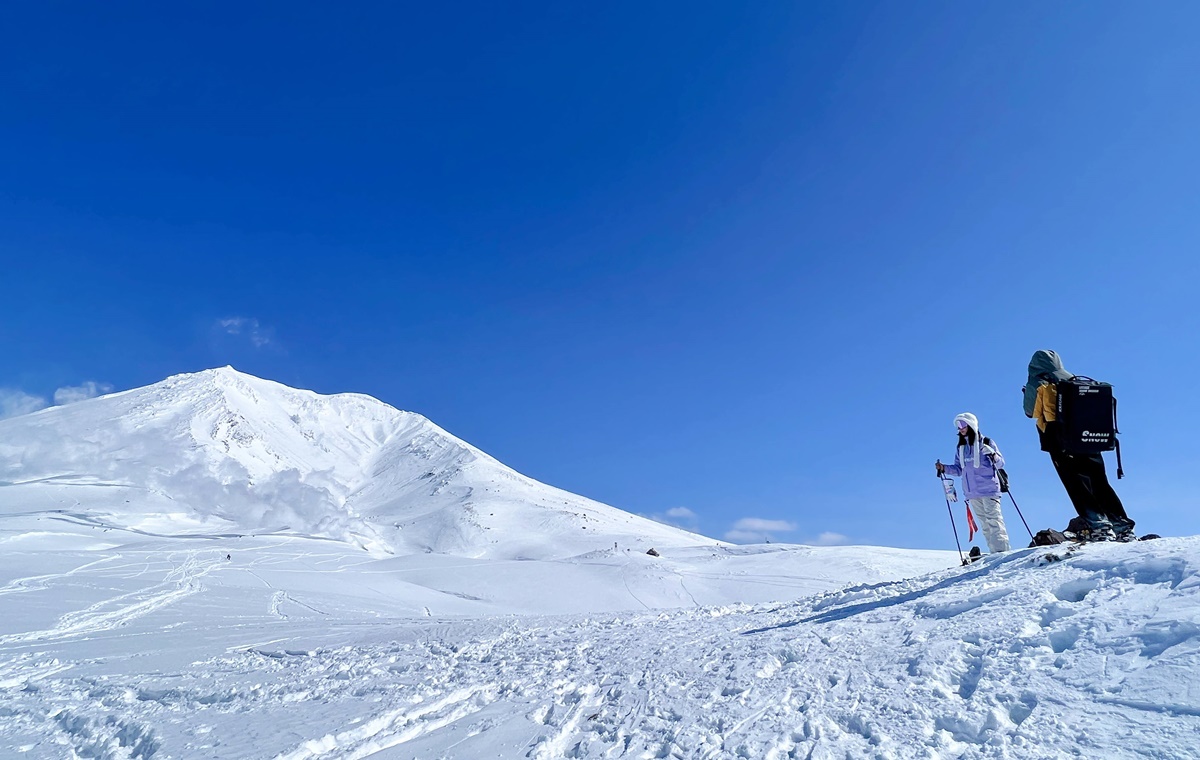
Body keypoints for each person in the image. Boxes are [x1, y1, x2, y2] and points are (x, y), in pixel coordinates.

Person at [1022, 349, 1134, 541]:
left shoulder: (1039, 381)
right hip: (1088, 438)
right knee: (1099, 483)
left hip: (1060, 439)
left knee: (1077, 485)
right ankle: (1121, 525)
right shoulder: (1073, 379)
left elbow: (1030, 411)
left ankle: (1099, 526)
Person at [936, 412, 1010, 553]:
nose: (960, 429)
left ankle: (1002, 553)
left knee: (994, 522)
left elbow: (1000, 463)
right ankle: (994, 553)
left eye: (962, 424)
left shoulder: (987, 442)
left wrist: (993, 455)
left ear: (971, 424)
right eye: (958, 426)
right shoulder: (961, 448)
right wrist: (944, 468)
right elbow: (959, 469)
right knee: (985, 525)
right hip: (972, 493)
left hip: (989, 490)